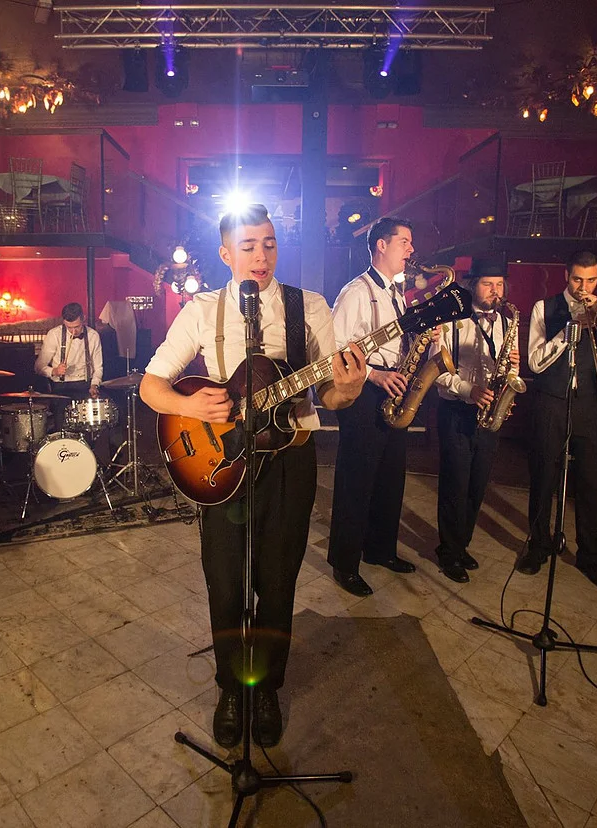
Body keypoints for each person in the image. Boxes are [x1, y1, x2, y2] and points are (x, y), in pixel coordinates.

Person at [140, 204, 366, 749]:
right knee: (225, 582)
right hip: (222, 461)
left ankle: (265, 688)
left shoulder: (307, 307)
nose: (261, 256)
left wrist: (349, 389)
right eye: (248, 246)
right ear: (225, 253)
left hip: (290, 461)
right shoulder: (200, 310)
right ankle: (230, 688)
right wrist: (194, 410)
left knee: (279, 582)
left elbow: (330, 392)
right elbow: (153, 387)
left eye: (268, 243)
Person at [326, 217, 429, 597]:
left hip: (395, 387)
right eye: (405, 241)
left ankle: (380, 550)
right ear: (381, 245)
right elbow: (335, 346)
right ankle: (345, 563)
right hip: (367, 391)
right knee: (356, 480)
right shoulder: (355, 291)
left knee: (390, 477)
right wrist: (373, 375)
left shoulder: (397, 294)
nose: (411, 250)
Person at [519, 250, 597, 588]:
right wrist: (569, 331)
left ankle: (590, 557)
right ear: (566, 276)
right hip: (551, 401)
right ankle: (538, 546)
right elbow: (535, 363)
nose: (584, 286)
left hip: (590, 405)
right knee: (544, 477)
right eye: (578, 279)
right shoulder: (544, 308)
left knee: (591, 482)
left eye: (591, 280)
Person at [432, 259, 520, 583]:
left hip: (489, 412)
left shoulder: (507, 322)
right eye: (488, 284)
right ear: (473, 286)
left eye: (499, 285)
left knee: (477, 485)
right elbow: (437, 370)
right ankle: (448, 550)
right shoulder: (455, 322)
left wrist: (511, 370)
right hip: (457, 409)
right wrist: (469, 390)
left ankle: (462, 544)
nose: (495, 292)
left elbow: (512, 371)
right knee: (455, 484)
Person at [35, 302, 103, 400]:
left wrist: (94, 385)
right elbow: (38, 367)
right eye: (69, 328)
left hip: (85, 386)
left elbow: (98, 367)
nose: (73, 331)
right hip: (61, 387)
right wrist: (54, 371)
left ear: (83, 318)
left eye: (77, 327)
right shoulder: (54, 335)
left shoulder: (93, 336)